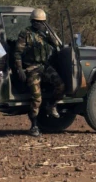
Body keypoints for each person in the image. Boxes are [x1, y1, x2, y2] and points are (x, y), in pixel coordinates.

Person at [13, 8, 65, 137]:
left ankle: (51, 105)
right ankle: (34, 125)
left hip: (44, 67)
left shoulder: (45, 34)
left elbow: (58, 44)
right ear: (32, 22)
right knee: (36, 98)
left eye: (42, 22)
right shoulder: (25, 33)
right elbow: (17, 53)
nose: (40, 24)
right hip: (31, 68)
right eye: (37, 22)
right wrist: (19, 69)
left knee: (61, 85)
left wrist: (49, 33)